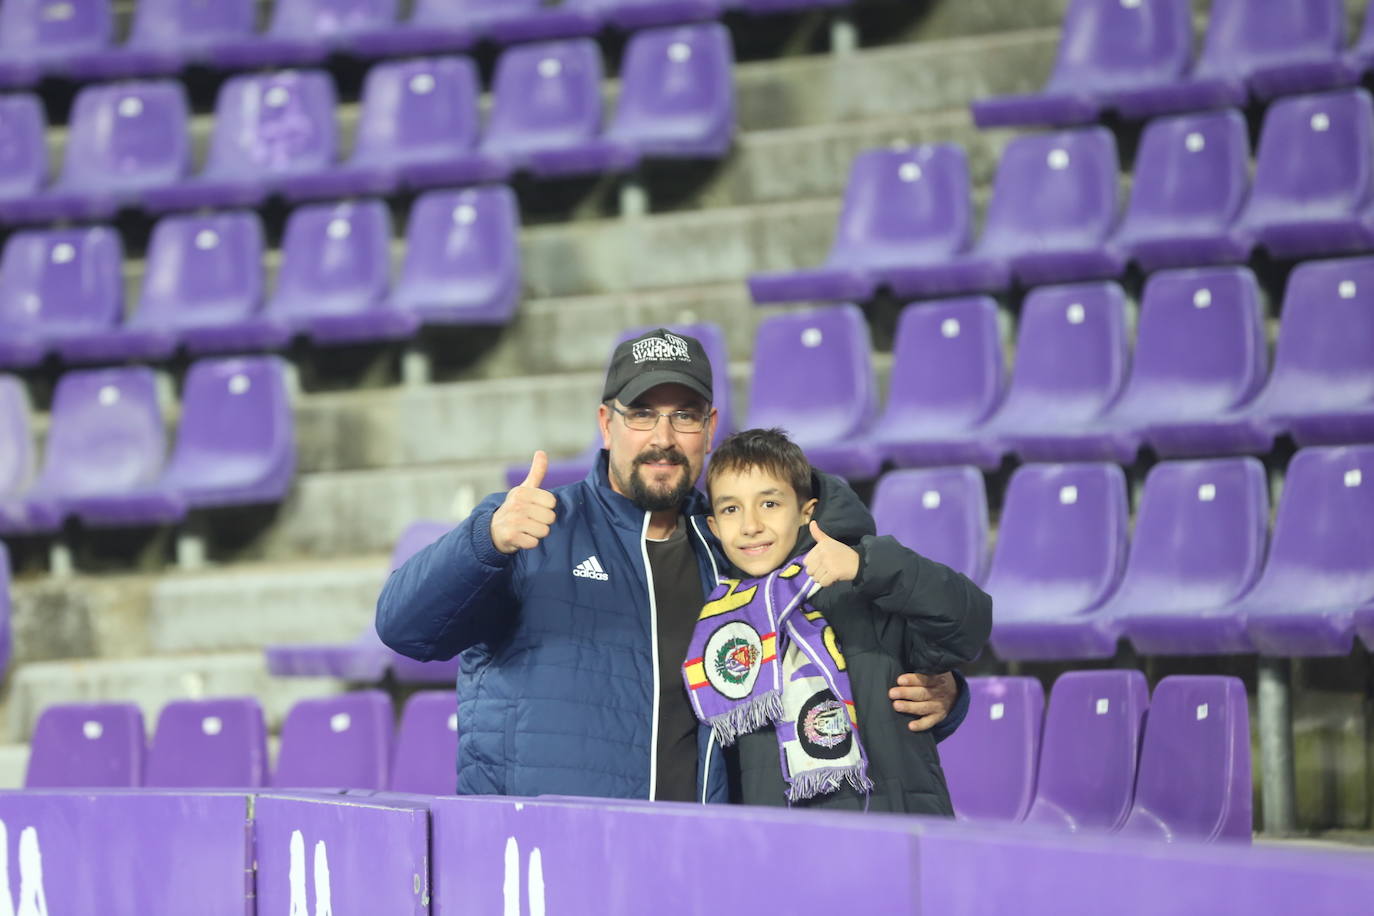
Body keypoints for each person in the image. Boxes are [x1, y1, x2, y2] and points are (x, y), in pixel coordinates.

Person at [375, 328, 966, 802]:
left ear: (709, 430)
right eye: (641, 414)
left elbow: (833, 651)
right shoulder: (530, 527)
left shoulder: (737, 544)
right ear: (606, 424)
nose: (663, 437)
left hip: (692, 864)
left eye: (684, 415)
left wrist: (942, 692)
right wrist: (485, 540)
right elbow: (405, 628)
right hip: (548, 862)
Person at [692, 428, 992, 813]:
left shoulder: (865, 583)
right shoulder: (721, 621)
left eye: (769, 504)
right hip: (787, 849)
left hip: (894, 836)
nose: (751, 525)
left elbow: (969, 621)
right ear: (714, 526)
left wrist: (868, 565)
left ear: (806, 509)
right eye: (731, 509)